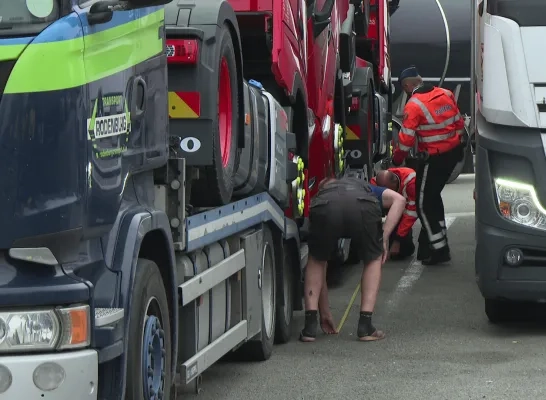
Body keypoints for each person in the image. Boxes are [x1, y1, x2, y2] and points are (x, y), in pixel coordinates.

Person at [300, 176, 405, 343]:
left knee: (317, 260)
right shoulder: (366, 187)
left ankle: (309, 327)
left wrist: (324, 313)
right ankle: (365, 325)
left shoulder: (321, 194)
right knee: (373, 259)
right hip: (363, 206)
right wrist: (384, 237)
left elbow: (321, 267)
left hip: (326, 208)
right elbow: (399, 200)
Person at [392, 66, 466, 265]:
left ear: (408, 86)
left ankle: (439, 249)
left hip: (434, 160)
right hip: (453, 155)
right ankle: (438, 238)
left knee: (423, 203)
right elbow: (459, 124)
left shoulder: (414, 106)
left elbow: (406, 141)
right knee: (433, 197)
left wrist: (396, 160)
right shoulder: (446, 94)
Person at [371, 167, 417, 260]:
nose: (386, 192)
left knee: (403, 251)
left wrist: (397, 241)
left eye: (388, 189)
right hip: (391, 209)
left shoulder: (411, 183)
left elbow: (410, 215)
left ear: (395, 182)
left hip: (405, 211)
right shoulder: (375, 183)